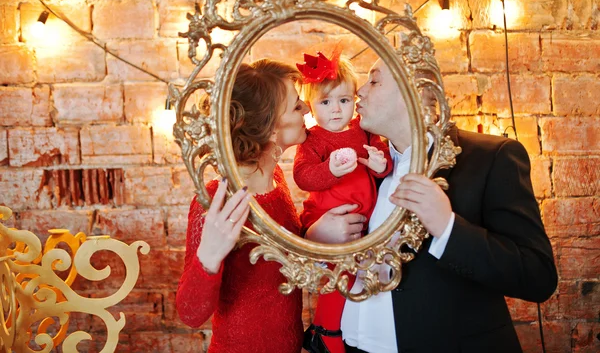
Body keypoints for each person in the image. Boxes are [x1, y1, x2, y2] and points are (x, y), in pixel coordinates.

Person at [308, 59, 558, 353]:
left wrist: (447, 228)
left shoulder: (491, 157)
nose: (360, 91)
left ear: (414, 92)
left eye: (374, 81)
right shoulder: (362, 165)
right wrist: (317, 239)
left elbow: (537, 276)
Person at [176, 59, 312, 353]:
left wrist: (315, 236)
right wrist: (209, 256)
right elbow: (190, 314)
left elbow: (277, 264)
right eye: (297, 105)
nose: (308, 109)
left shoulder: (276, 179)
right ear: (270, 130)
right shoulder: (217, 199)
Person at [293, 51, 392, 353]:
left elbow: (384, 160)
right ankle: (326, 333)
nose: (336, 110)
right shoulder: (313, 139)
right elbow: (302, 176)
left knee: (357, 283)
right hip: (328, 219)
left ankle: (339, 331)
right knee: (337, 281)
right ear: (312, 105)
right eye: (325, 103)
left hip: (362, 226)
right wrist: (329, 171)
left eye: (344, 101)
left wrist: (379, 163)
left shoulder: (363, 129)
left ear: (353, 100)